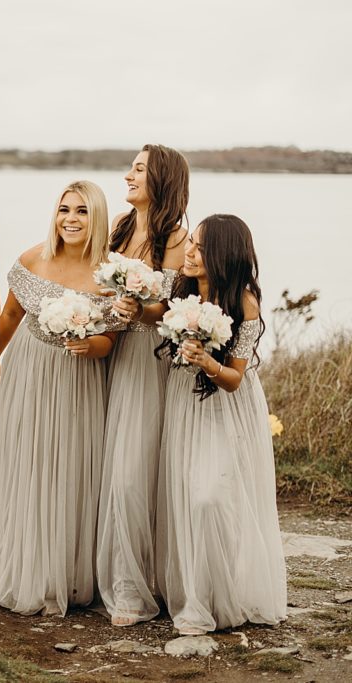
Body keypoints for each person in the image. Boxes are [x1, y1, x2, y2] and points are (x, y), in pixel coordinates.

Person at [0, 180, 122, 616]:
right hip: (29, 367)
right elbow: (9, 315)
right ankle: (27, 571)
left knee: (74, 466)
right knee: (27, 463)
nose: (71, 219)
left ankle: (71, 575)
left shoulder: (111, 272)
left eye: (82, 211)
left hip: (80, 378)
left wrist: (90, 344)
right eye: (64, 210)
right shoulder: (32, 259)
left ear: (96, 218)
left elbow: (112, 341)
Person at [154, 214, 286, 635]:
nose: (189, 253)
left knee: (214, 497)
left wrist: (208, 361)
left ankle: (230, 592)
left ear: (223, 254)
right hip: (184, 402)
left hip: (228, 407)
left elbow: (233, 379)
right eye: (190, 244)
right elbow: (152, 315)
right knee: (187, 495)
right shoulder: (182, 289)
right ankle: (197, 597)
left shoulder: (244, 302)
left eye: (199, 247)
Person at [96, 144, 189, 626]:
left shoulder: (175, 236)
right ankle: (106, 572)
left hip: (146, 361)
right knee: (105, 463)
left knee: (135, 470)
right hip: (106, 349)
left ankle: (134, 585)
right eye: (130, 167)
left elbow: (170, 305)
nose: (127, 175)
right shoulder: (119, 226)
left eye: (138, 169)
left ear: (162, 179)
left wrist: (140, 306)